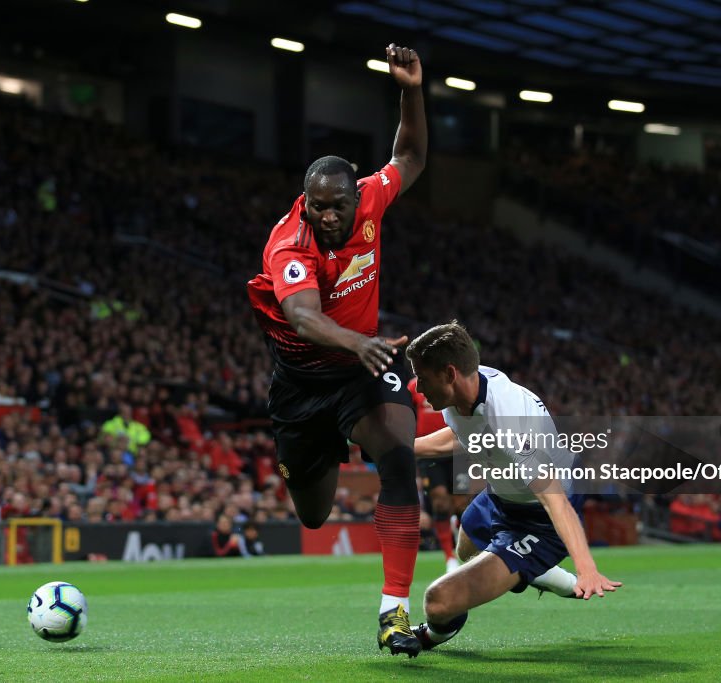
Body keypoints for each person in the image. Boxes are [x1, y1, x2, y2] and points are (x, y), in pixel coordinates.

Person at [247, 43, 427, 657]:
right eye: (316, 205)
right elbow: (301, 317)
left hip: (361, 372)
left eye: (337, 205)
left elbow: (410, 154)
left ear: (357, 198)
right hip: (301, 385)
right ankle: (329, 449)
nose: (326, 215)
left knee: (401, 461)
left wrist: (410, 91)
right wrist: (362, 341)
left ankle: (393, 612)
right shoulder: (288, 244)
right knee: (314, 515)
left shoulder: (373, 198)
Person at [404, 322, 621, 650]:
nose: (418, 387)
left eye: (423, 376)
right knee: (467, 549)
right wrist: (405, 446)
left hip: (540, 518)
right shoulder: (466, 385)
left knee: (437, 602)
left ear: (449, 373)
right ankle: (539, 572)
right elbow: (462, 433)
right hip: (500, 495)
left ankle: (438, 633)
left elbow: (555, 501)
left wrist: (587, 567)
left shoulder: (511, 424)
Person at [409, 377, 468, 574]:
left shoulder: (454, 381)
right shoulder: (413, 386)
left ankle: (465, 551)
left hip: (457, 447)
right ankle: (450, 559)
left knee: (461, 504)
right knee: (440, 502)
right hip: (428, 450)